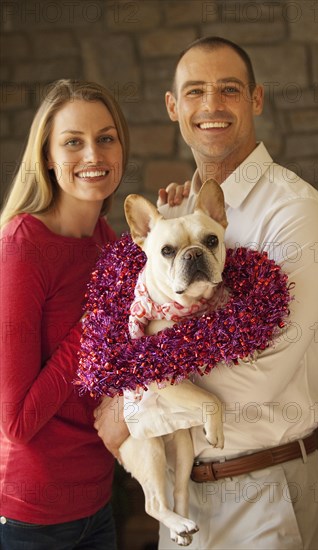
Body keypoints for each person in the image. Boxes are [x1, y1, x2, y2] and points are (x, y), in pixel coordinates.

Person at [94, 37, 318, 549]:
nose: (210, 106)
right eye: (194, 92)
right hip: (183, 491)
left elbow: (260, 379)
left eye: (228, 90)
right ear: (174, 107)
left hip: (263, 489)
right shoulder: (179, 214)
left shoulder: (298, 215)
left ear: (256, 99)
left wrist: (131, 406)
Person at [0, 79, 130, 550]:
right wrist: (94, 325)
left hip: (97, 505)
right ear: (49, 157)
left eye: (106, 138)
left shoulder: (108, 242)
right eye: (73, 142)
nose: (93, 155)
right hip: (32, 520)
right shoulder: (23, 246)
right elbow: (15, 422)